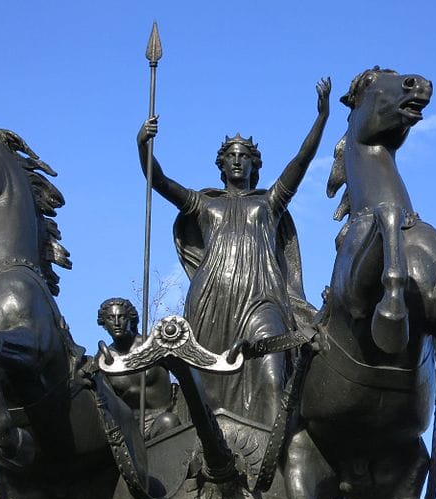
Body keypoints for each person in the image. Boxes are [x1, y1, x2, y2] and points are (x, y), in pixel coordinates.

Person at [137, 79, 330, 426]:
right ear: (221, 165)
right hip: (211, 300)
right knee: (206, 390)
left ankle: (273, 465)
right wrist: (143, 147)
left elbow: (302, 160)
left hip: (262, 298)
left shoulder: (270, 203)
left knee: (272, 376)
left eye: (244, 157)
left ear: (255, 165)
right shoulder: (204, 203)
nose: (237, 162)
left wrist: (322, 116)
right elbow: (159, 181)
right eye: (231, 157)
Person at [96, 297, 180, 438]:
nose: (116, 323)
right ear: (104, 324)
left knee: (168, 422)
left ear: (131, 320)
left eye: (121, 317)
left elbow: (186, 373)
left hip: (165, 418)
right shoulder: (104, 361)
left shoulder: (154, 345)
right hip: (131, 433)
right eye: (110, 318)